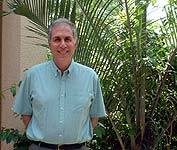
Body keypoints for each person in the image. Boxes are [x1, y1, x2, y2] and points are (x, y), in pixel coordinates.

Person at [13, 18, 107, 150]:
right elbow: (25, 113)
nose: (63, 44)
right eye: (57, 39)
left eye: (67, 39)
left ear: (75, 43)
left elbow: (95, 115)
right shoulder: (33, 76)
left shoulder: (90, 77)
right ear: (49, 44)